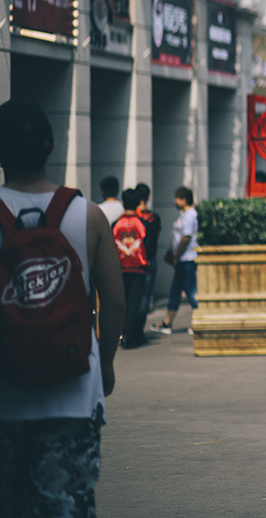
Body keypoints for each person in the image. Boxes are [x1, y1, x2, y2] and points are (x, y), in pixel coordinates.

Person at [0, 99, 124, 516]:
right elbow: (115, 301)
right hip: (74, 390)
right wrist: (105, 364)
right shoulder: (87, 215)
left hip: (6, 392)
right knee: (68, 504)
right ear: (51, 147)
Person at [151, 187, 199, 334]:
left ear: (184, 200)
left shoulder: (190, 216)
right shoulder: (185, 215)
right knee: (175, 291)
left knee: (191, 292)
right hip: (183, 260)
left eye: (177, 198)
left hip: (187, 259)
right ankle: (167, 322)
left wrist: (176, 255)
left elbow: (186, 238)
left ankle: (199, 322)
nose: (174, 201)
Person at [112, 188, 150, 349]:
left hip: (120, 267)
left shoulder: (115, 224)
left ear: (122, 203)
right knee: (135, 301)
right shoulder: (144, 223)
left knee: (124, 301)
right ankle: (129, 333)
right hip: (138, 267)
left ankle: (122, 332)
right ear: (137, 204)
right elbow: (149, 245)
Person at [130, 183, 162, 346]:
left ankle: (130, 331)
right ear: (148, 197)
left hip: (132, 262)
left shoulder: (131, 218)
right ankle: (138, 331)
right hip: (149, 261)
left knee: (131, 297)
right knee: (144, 298)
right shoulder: (153, 218)